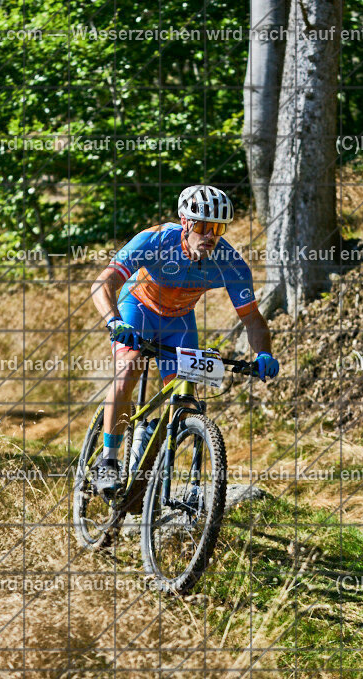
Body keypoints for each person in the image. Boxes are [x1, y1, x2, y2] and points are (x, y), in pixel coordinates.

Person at [89, 184, 279, 499]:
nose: (209, 235)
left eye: (217, 228)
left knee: (185, 397)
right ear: (185, 221)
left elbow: (253, 318)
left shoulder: (230, 263)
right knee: (129, 368)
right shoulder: (155, 240)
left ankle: (159, 446)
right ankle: (108, 461)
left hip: (179, 321)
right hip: (137, 310)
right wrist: (114, 321)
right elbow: (103, 283)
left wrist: (263, 354)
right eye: (202, 226)